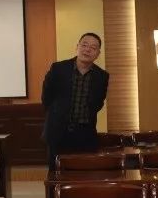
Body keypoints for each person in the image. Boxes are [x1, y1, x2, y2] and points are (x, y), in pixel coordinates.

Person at [41, 32, 110, 174]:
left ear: (98, 54)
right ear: (77, 47)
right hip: (58, 132)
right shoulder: (58, 69)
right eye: (84, 45)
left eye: (93, 47)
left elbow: (99, 102)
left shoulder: (102, 76)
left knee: (83, 174)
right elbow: (46, 97)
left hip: (85, 133)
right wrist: (56, 115)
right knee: (55, 174)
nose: (87, 50)